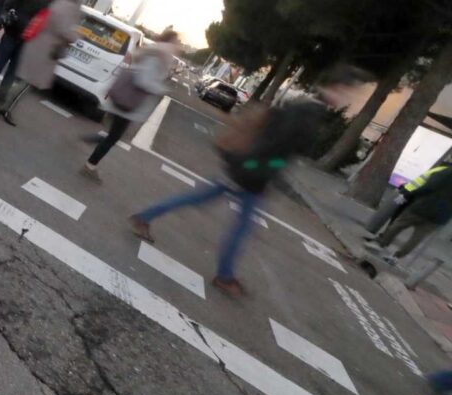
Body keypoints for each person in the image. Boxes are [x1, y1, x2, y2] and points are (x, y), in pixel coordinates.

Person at [128, 66, 365, 296]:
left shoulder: (301, 104)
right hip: (251, 174)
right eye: (348, 92)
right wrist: (253, 171)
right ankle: (224, 276)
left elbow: (271, 140)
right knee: (239, 226)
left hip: (247, 169)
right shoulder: (308, 113)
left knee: (200, 199)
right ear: (336, 87)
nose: (348, 99)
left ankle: (146, 218)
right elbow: (274, 148)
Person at [0, 0, 90, 125]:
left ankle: (4, 102)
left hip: (42, 44)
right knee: (28, 82)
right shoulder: (69, 4)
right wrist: (75, 36)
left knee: (23, 78)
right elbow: (61, 27)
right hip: (45, 48)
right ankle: (6, 108)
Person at [81, 31, 183, 179]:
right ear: (169, 43)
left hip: (127, 99)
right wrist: (161, 89)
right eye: (176, 41)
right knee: (115, 136)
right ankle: (90, 165)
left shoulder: (155, 52)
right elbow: (143, 80)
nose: (178, 45)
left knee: (115, 135)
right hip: (129, 102)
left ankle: (92, 142)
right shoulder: (157, 57)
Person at [368, 165, 452, 264]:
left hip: (424, 207)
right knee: (417, 238)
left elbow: (429, 186)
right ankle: (396, 257)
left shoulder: (447, 171)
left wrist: (409, 194)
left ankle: (381, 243)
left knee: (399, 224)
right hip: (440, 217)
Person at [364, 161, 451, 238]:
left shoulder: (440, 169)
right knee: (396, 216)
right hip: (410, 194)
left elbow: (425, 184)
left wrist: (406, 189)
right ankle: (382, 235)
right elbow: (426, 184)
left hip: (408, 193)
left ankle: (380, 234)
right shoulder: (443, 171)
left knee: (394, 214)